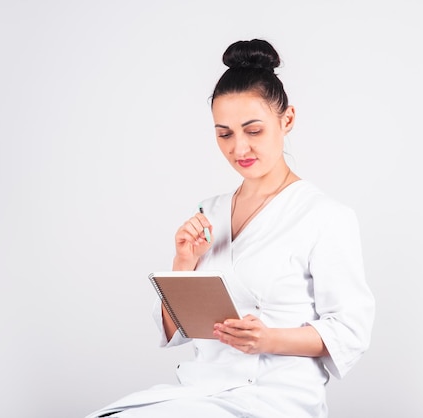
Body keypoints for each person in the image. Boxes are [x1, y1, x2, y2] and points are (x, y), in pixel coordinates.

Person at [85, 38, 375, 418]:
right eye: (224, 134)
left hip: (274, 398)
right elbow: (178, 330)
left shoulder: (324, 216)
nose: (239, 149)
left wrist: (268, 339)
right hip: (200, 391)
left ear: (286, 120)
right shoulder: (211, 211)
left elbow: (351, 330)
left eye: (253, 130)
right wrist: (183, 262)